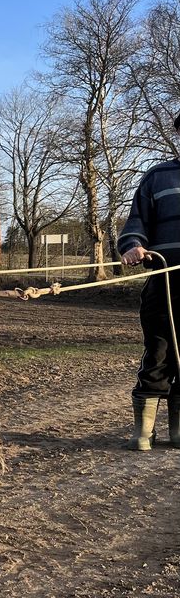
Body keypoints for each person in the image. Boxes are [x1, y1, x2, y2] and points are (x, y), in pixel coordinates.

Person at [118, 111, 180, 450]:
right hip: (163, 282)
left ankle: (178, 432)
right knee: (157, 351)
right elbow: (135, 223)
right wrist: (133, 246)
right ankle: (144, 431)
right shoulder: (157, 177)